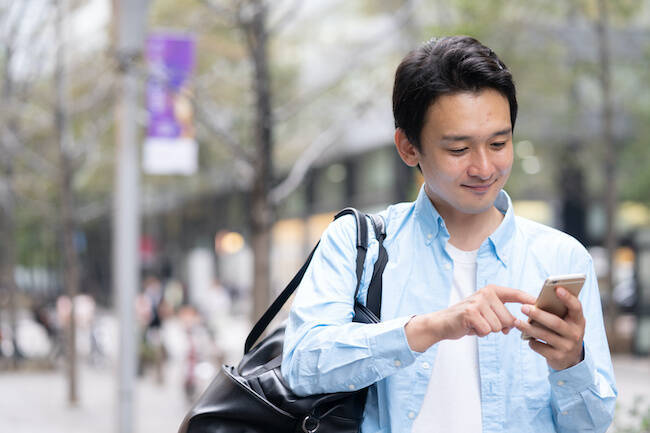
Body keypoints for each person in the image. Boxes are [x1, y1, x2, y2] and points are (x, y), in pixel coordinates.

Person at [281, 36, 616, 433]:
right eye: (459, 149)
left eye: (498, 143)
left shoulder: (563, 257)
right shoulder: (359, 243)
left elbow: (591, 425)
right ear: (408, 147)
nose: (484, 167)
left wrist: (570, 364)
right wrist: (431, 327)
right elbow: (302, 364)